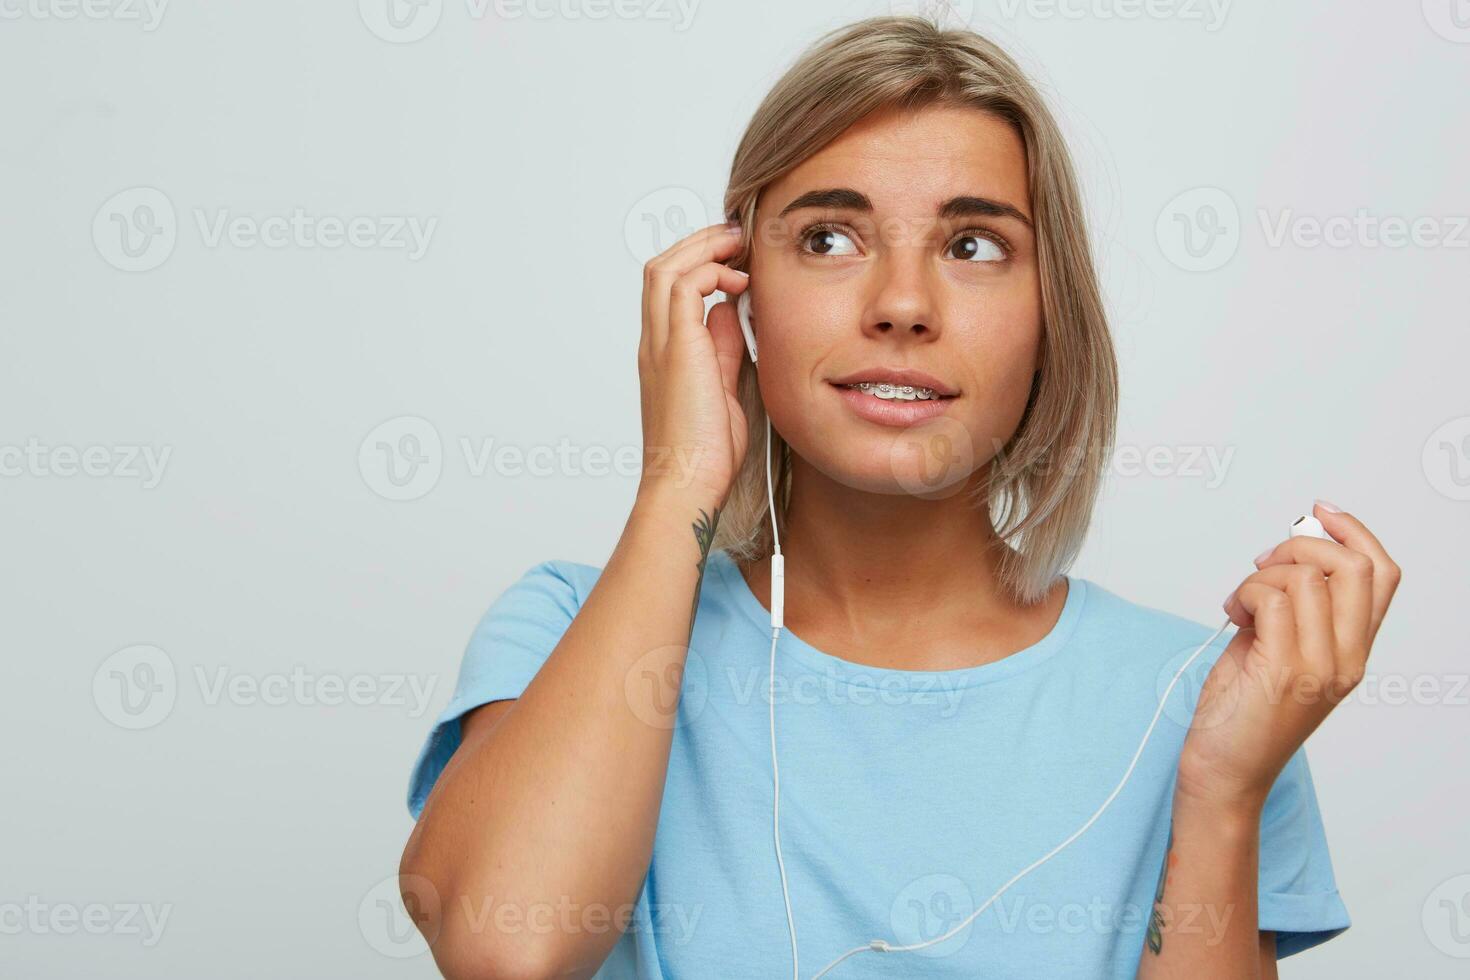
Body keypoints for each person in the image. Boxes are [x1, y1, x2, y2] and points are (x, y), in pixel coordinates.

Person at [397, 15, 1401, 979]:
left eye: (973, 246)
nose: (903, 306)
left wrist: (1222, 792)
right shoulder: (571, 626)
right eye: (830, 238)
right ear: (736, 294)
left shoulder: (1209, 703)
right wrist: (677, 484)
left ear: (1052, 316)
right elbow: (505, 949)